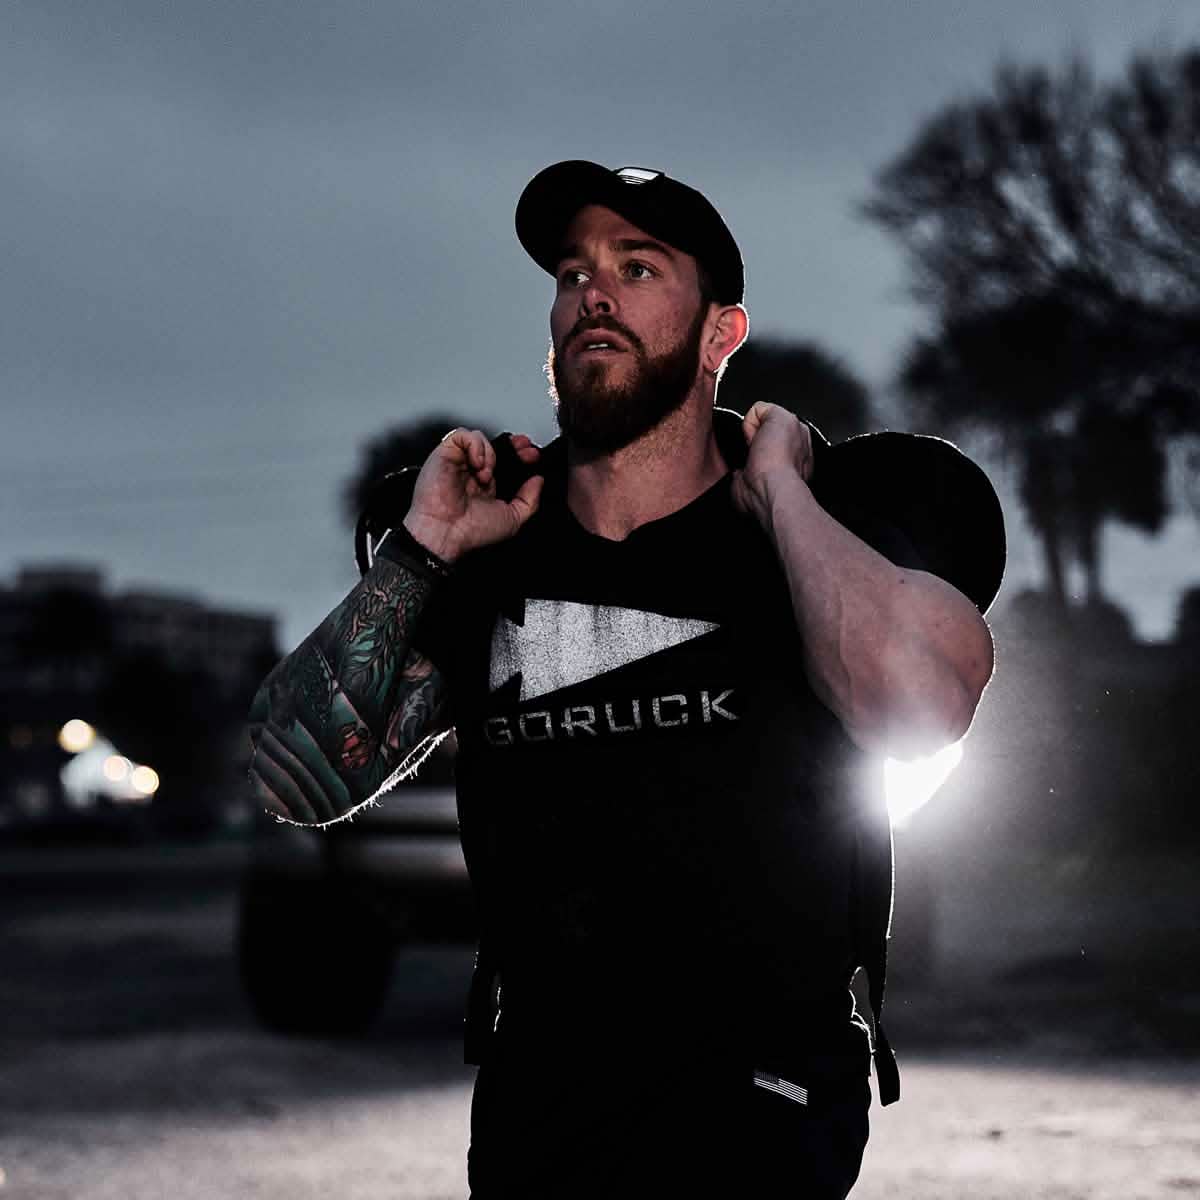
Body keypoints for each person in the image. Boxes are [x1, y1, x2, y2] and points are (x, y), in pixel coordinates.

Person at [246, 161, 1001, 1198]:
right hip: (541, 1099)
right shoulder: (494, 546)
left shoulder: (826, 523)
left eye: (637, 267)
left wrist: (781, 495)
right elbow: (291, 778)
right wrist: (423, 551)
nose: (593, 293)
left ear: (720, 335)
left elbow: (920, 710)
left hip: (761, 1098)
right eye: (574, 273)